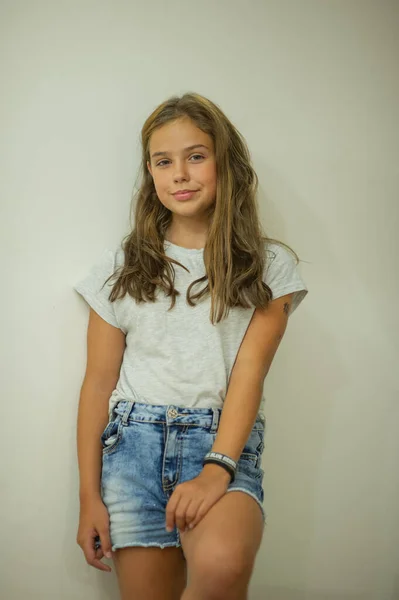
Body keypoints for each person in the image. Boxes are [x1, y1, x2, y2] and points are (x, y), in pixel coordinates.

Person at [74, 92, 308, 600]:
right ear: (151, 174)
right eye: (164, 161)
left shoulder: (269, 268)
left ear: (226, 164)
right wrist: (88, 497)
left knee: (223, 569)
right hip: (131, 450)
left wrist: (216, 468)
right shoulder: (122, 266)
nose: (179, 173)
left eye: (196, 156)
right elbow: (97, 384)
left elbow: (249, 373)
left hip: (220, 443)